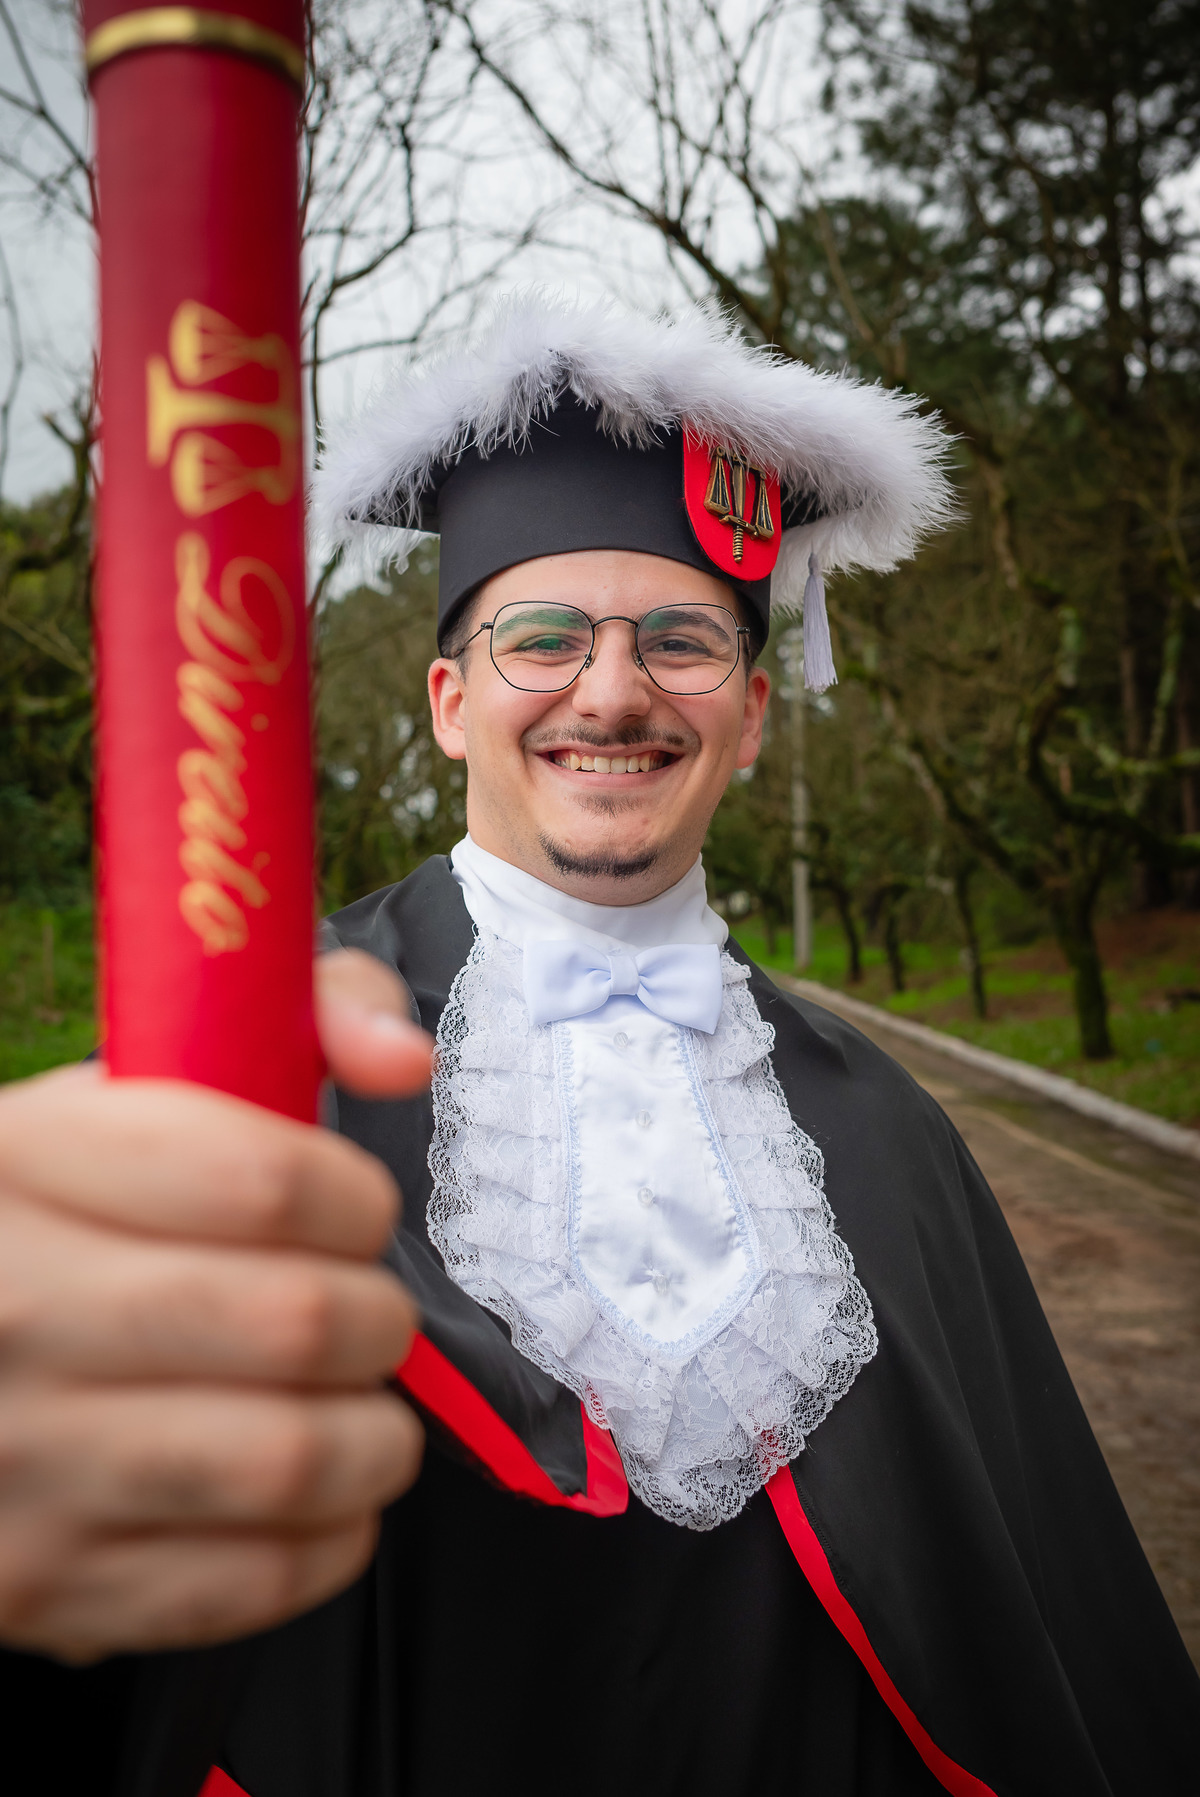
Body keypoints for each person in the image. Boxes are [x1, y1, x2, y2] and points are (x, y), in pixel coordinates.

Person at [2, 293, 1198, 1797]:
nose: (615, 690)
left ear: (755, 714)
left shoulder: (894, 1131)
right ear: (448, 701)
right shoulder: (261, 1058)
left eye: (685, 641)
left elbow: (1043, 1621)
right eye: (543, 637)